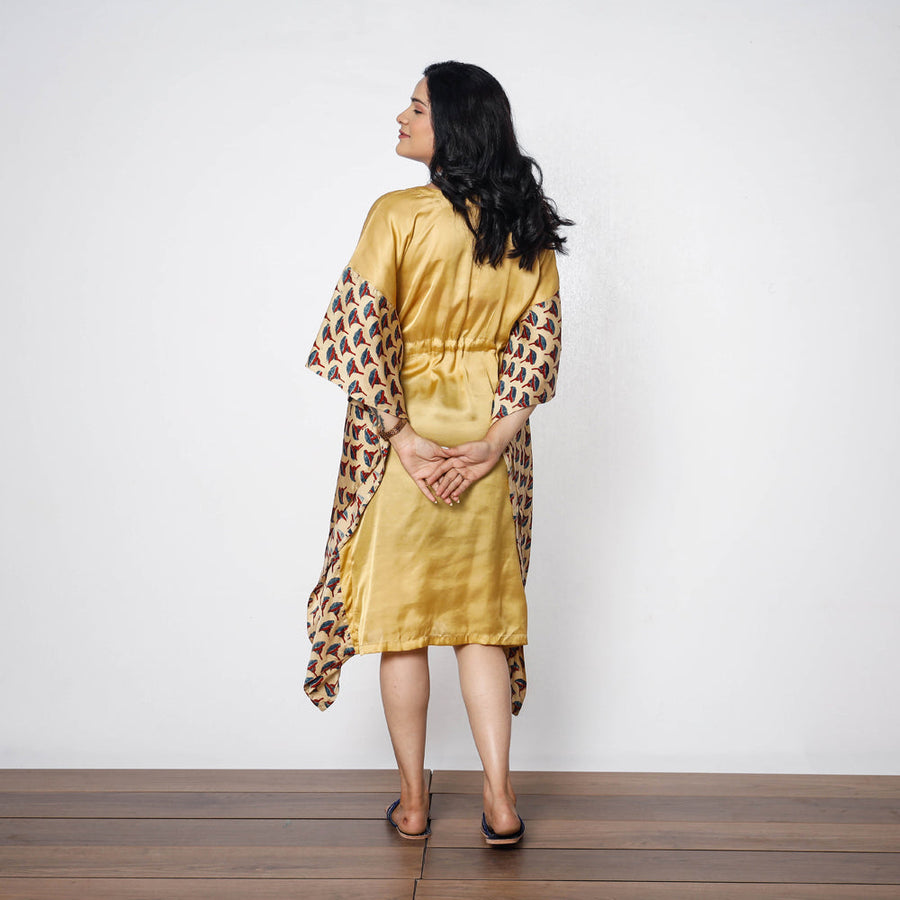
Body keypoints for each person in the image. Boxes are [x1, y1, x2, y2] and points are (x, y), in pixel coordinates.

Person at [304, 61, 570, 846]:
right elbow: (537, 343)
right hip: (487, 441)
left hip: (404, 445)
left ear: (453, 123)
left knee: (403, 628)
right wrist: (491, 444)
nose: (401, 116)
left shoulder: (397, 215)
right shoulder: (522, 225)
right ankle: (500, 802)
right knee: (481, 626)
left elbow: (359, 332)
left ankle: (415, 807)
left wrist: (403, 438)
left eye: (416, 107)